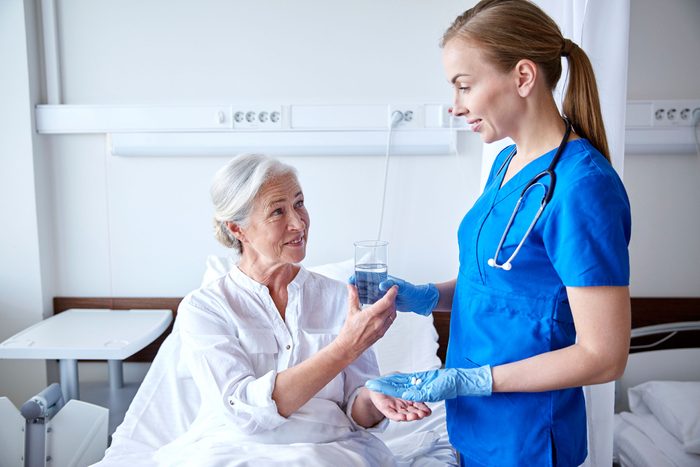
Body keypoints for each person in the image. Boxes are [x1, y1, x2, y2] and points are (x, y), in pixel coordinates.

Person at [363, 1, 632, 466]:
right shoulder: (509, 164)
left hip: (529, 438)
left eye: (464, 86)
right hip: (475, 428)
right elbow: (495, 286)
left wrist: (475, 379)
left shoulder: (583, 188)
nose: (455, 105)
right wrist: (424, 295)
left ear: (523, 77)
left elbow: (604, 355)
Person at [153, 153, 431, 466]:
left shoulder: (340, 298)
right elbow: (242, 411)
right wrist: (344, 348)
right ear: (238, 229)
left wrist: (377, 397)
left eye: (299, 203)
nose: (298, 223)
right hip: (234, 449)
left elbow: (357, 408)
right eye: (277, 212)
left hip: (329, 448)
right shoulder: (205, 309)